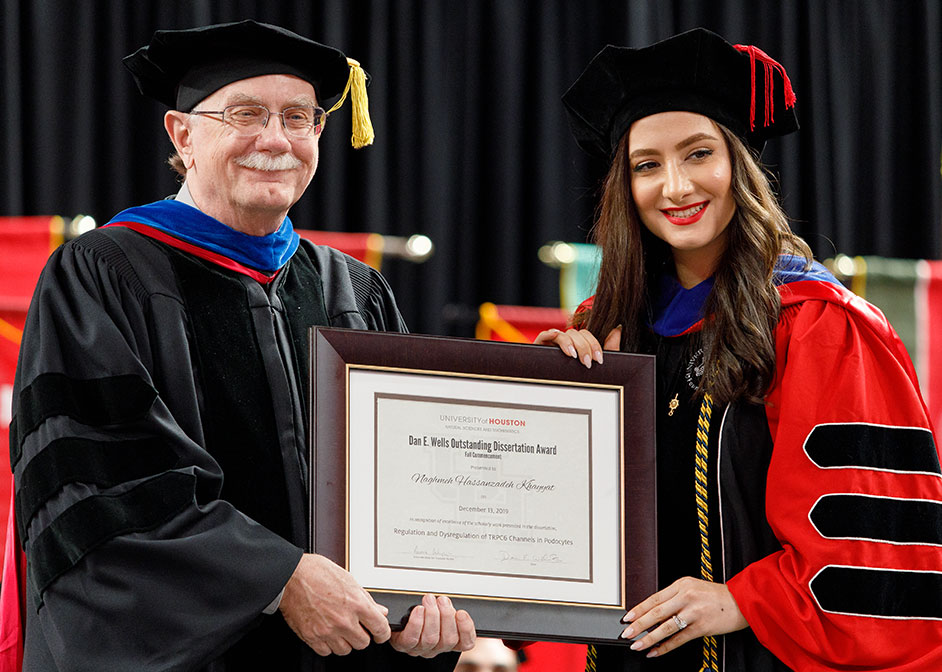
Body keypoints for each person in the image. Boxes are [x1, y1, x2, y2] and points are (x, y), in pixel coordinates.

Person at [8, 20, 474, 671]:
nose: (276, 140)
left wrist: (425, 607)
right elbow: (94, 484)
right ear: (182, 134)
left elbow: (411, 485)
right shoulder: (103, 274)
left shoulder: (354, 291)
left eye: (299, 117)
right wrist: (277, 577)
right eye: (246, 114)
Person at [537, 28, 942, 671]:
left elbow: (870, 554)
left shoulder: (813, 323)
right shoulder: (607, 326)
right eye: (647, 164)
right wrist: (552, 400)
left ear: (738, 165)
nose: (675, 186)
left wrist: (741, 599)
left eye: (698, 154)